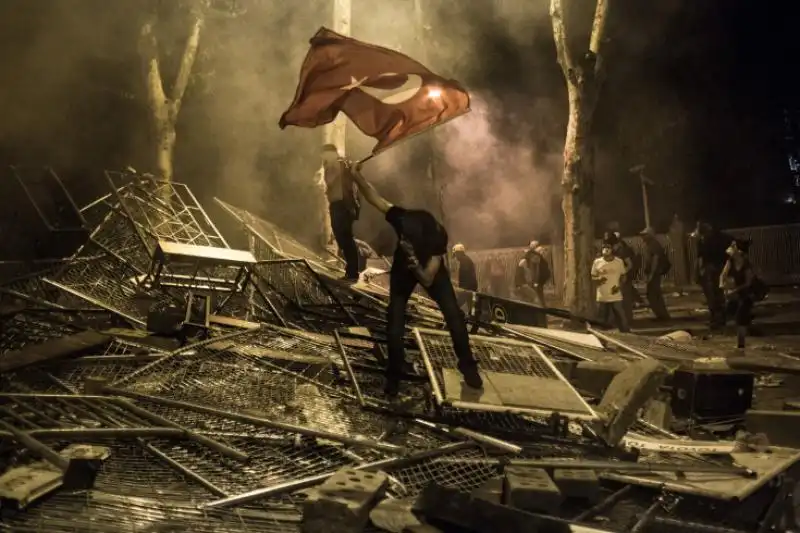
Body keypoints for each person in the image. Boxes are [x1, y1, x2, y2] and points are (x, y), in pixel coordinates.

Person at [349, 164, 483, 397]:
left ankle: (467, 366)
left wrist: (414, 261)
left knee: (453, 315)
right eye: (403, 239)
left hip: (430, 270)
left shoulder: (436, 239)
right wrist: (355, 176)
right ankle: (394, 373)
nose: (403, 242)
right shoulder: (403, 218)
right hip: (405, 267)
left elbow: (428, 279)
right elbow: (375, 198)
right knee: (395, 317)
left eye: (409, 242)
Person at [321, 144, 361, 281]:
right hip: (337, 205)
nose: (323, 157)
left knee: (346, 238)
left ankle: (353, 272)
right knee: (342, 238)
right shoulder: (335, 166)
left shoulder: (339, 165)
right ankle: (351, 271)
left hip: (343, 206)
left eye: (325, 153)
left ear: (331, 153)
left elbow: (331, 180)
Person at [719, 239, 759, 349]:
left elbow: (748, 283)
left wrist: (735, 290)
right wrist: (722, 285)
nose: (731, 248)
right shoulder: (730, 261)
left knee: (740, 318)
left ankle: (741, 345)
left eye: (734, 246)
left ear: (739, 251)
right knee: (729, 315)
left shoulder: (746, 265)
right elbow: (723, 275)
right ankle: (747, 329)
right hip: (734, 294)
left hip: (745, 294)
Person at [691, 221, 731, 330]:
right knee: (719, 295)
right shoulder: (722, 238)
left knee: (712, 297)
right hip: (720, 270)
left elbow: (700, 259)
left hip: (710, 271)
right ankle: (720, 319)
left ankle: (716, 320)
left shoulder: (704, 241)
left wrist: (697, 273)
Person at [591, 241, 630, 333]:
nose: (606, 249)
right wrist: (598, 279)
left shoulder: (619, 262)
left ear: (612, 250)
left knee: (620, 314)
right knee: (602, 316)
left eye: (608, 247)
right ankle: (600, 334)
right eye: (604, 247)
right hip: (602, 294)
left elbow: (623, 276)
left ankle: (625, 332)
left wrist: (619, 287)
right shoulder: (597, 262)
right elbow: (593, 276)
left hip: (615, 293)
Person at [604, 232, 637, 325]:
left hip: (623, 279)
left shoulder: (622, 250)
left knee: (625, 300)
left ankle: (627, 321)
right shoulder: (614, 251)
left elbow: (629, 264)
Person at [640, 227, 671, 320]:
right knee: (653, 294)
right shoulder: (649, 244)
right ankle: (661, 315)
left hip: (654, 273)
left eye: (645, 234)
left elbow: (655, 260)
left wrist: (651, 274)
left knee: (654, 294)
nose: (643, 236)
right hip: (653, 273)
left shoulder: (653, 244)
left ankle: (663, 315)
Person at [514, 241, 550, 308]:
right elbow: (531, 272)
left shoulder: (532, 257)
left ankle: (541, 307)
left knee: (536, 295)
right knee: (535, 296)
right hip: (528, 283)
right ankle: (539, 308)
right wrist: (534, 282)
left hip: (532, 282)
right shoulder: (529, 258)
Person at [452, 243, 478, 315]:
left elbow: (466, 276)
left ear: (459, 253)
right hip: (470, 287)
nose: (456, 258)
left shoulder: (465, 261)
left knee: (457, 305)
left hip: (468, 288)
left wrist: (463, 288)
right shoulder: (465, 260)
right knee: (471, 307)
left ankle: (452, 319)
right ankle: (473, 321)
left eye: (456, 255)